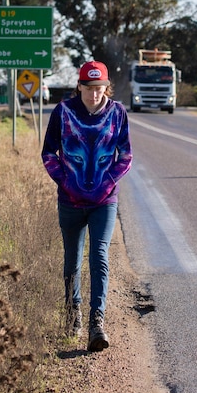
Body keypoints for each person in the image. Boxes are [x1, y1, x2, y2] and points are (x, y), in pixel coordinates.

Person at [41, 60, 133, 352]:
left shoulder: (117, 113)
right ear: (78, 86)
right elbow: (48, 153)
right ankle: (73, 313)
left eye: (99, 88)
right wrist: (66, 182)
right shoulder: (64, 112)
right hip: (70, 200)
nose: (94, 94)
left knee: (99, 255)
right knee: (72, 261)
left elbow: (126, 155)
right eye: (88, 87)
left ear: (106, 87)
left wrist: (108, 182)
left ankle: (97, 322)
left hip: (104, 200)